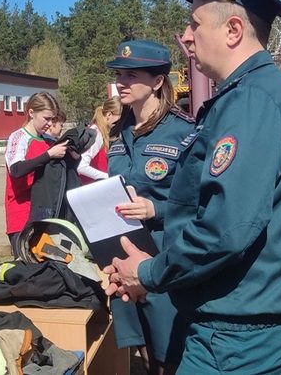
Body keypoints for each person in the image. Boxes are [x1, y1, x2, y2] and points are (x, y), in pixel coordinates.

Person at [105, 0, 281, 374]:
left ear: (233, 29)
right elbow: (208, 206)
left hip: (235, 340)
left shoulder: (251, 102)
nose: (186, 36)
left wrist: (148, 273)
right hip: (234, 327)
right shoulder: (252, 95)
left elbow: (227, 229)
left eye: (194, 24)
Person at [105, 40, 195, 374]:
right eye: (119, 74)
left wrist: (155, 209)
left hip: (164, 263)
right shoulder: (118, 133)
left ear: (158, 81)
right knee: (140, 354)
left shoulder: (183, 132)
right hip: (123, 262)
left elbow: (202, 203)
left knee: (169, 358)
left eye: (131, 74)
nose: (121, 82)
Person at [4, 92, 68, 257]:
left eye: (53, 119)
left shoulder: (47, 139)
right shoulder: (19, 137)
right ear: (31, 113)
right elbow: (16, 170)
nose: (50, 123)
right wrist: (48, 155)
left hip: (44, 212)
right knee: (26, 266)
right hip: (21, 214)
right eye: (46, 118)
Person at [77, 96, 122, 184]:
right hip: (89, 188)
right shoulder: (96, 133)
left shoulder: (101, 131)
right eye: (120, 119)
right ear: (109, 115)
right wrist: (108, 177)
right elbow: (81, 166)